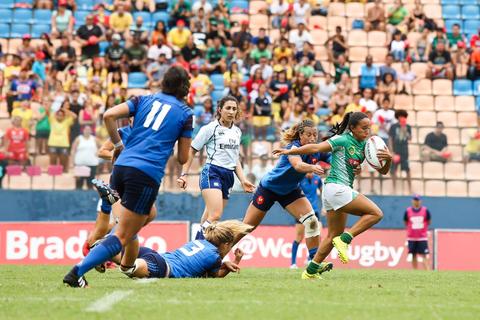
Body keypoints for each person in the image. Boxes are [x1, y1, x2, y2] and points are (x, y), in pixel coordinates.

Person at [63, 66, 193, 288]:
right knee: (124, 234)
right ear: (184, 87)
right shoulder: (185, 113)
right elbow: (182, 158)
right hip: (146, 173)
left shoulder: (143, 99)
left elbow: (109, 115)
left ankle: (108, 217)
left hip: (121, 166)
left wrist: (118, 145)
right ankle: (78, 271)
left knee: (149, 213)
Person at [272, 112, 392, 279]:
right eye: (363, 128)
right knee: (375, 214)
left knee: (332, 235)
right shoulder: (342, 139)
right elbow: (315, 147)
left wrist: (389, 159)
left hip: (333, 192)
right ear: (352, 128)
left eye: (369, 128)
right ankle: (345, 239)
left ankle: (310, 271)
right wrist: (289, 152)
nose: (367, 131)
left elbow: (383, 171)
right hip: (336, 188)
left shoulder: (366, 146)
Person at [238, 120, 331, 271]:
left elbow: (331, 158)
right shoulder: (293, 147)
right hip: (269, 189)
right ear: (301, 135)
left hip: (290, 191)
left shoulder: (317, 150)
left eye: (315, 134)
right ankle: (217, 255)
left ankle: (314, 263)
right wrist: (313, 167)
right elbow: (298, 165)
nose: (313, 138)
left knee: (312, 221)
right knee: (246, 228)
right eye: (309, 135)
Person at [177, 96, 255, 239]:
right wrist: (184, 174)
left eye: (234, 109)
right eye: (228, 108)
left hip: (228, 176)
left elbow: (235, 158)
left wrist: (243, 180)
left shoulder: (237, 132)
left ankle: (197, 244)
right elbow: (192, 150)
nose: (231, 111)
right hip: (212, 172)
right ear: (220, 110)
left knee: (209, 216)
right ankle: (197, 245)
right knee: (215, 215)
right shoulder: (210, 128)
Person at [114, 220, 252, 279]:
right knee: (128, 268)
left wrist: (226, 263)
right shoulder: (214, 257)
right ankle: (131, 231)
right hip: (162, 267)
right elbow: (216, 276)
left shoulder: (199, 241)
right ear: (225, 244)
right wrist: (236, 260)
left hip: (156, 256)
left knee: (120, 257)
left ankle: (103, 249)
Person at [290, 169, 329, 269]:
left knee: (318, 235)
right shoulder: (300, 179)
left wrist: (324, 206)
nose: (310, 174)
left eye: (312, 172)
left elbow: (323, 192)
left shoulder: (317, 179)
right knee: (299, 237)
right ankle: (293, 263)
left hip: (314, 211)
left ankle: (310, 259)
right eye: (308, 172)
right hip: (301, 211)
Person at [404, 195, 431, 270]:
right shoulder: (408, 211)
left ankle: (427, 270)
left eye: (418, 200)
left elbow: (429, 221)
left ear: (420, 201)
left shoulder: (425, 211)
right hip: (411, 237)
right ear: (412, 201)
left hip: (422, 237)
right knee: (413, 254)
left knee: (424, 254)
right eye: (415, 200)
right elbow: (405, 222)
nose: (416, 202)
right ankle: (415, 271)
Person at [389, 109, 412, 195]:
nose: (401, 118)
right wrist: (391, 151)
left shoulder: (408, 127)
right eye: (400, 116)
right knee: (393, 170)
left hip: (404, 151)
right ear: (397, 117)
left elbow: (410, 138)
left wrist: (404, 129)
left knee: (407, 169)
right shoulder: (393, 126)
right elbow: (390, 139)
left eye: (403, 116)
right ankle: (394, 189)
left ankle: (410, 189)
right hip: (395, 150)